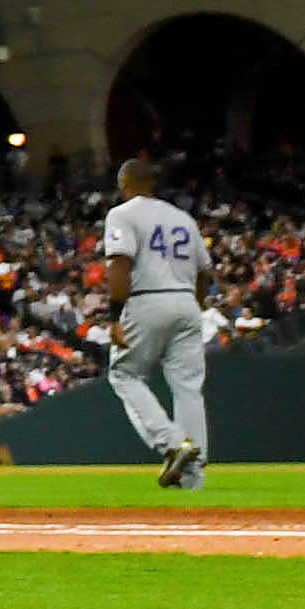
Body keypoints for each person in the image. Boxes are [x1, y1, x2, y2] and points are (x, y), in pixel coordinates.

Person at [94, 157, 210, 491]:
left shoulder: (123, 213)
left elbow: (119, 265)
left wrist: (115, 317)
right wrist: (195, 306)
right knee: (188, 387)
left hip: (147, 298)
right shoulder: (182, 218)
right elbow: (205, 272)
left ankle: (173, 443)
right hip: (186, 300)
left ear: (124, 183)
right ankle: (192, 479)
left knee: (124, 374)